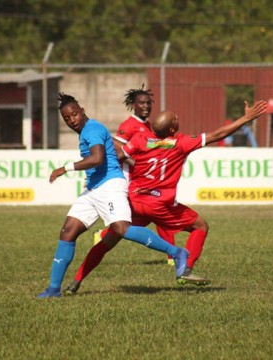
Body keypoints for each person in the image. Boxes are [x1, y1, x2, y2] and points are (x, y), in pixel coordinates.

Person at [63, 98, 268, 295]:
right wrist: (245, 119)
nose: (178, 119)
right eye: (176, 119)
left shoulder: (140, 140)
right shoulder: (181, 143)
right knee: (201, 226)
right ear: (172, 129)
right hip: (161, 204)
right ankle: (185, 269)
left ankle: (76, 281)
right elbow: (217, 134)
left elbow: (118, 154)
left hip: (134, 201)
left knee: (108, 240)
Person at [37, 92, 189, 298]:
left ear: (82, 111)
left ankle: (177, 252)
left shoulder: (93, 129)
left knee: (121, 228)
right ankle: (54, 289)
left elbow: (98, 158)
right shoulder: (87, 131)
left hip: (110, 185)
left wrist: (66, 168)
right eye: (66, 118)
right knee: (68, 232)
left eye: (74, 115)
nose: (71, 120)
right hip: (94, 188)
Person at [94, 86, 178, 266]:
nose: (146, 106)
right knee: (159, 211)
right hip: (132, 177)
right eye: (142, 103)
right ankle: (173, 256)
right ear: (133, 105)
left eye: (148, 103)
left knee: (142, 216)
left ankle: (102, 235)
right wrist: (136, 163)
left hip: (146, 178)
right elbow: (116, 147)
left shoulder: (148, 125)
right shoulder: (129, 125)